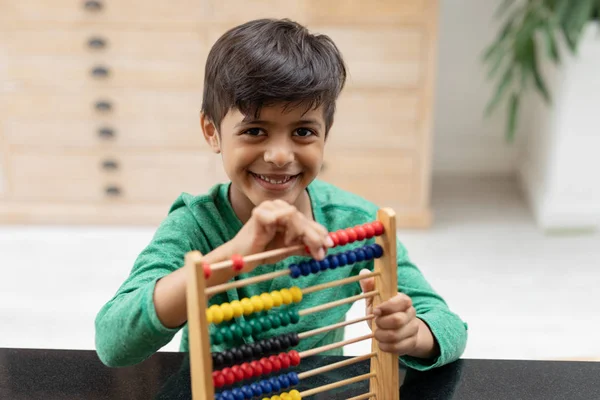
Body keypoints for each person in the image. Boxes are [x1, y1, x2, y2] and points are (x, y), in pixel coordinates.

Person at [95, 18, 467, 371]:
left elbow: (449, 325)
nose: (279, 156)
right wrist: (232, 257)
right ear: (212, 131)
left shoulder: (357, 222)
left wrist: (415, 334)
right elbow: (113, 341)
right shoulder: (195, 226)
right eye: (255, 130)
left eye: (303, 132)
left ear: (326, 133)